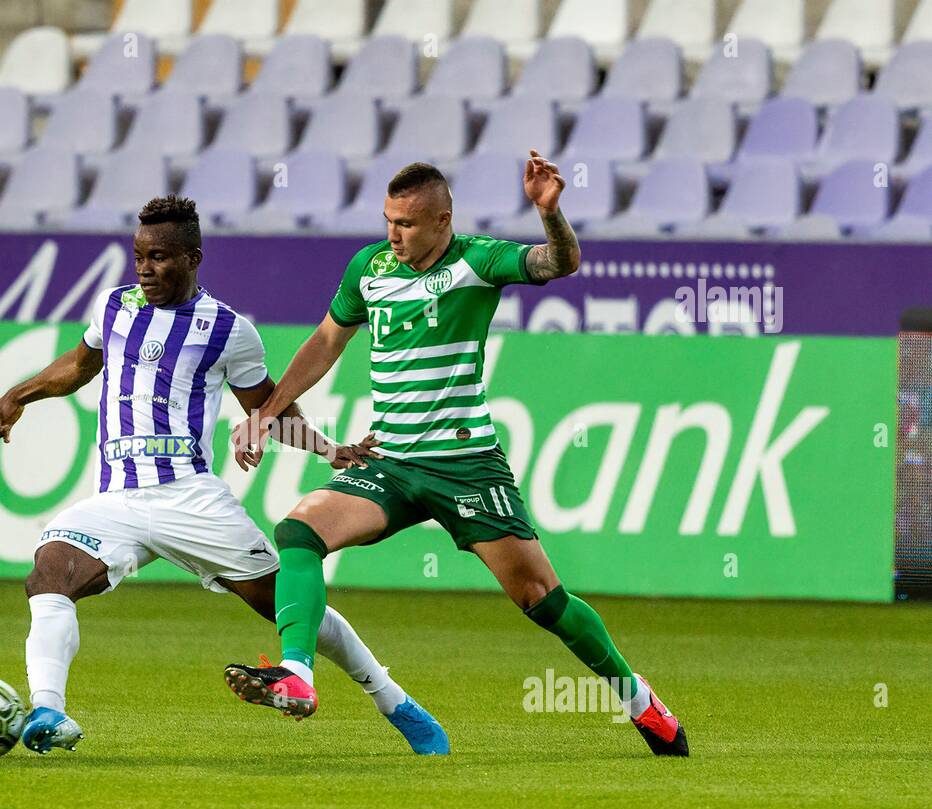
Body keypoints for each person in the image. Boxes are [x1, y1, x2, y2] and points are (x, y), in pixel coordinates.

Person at [226, 156, 688, 756]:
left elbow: (560, 263)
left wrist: (550, 214)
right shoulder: (369, 269)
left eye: (408, 224)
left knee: (541, 600)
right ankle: (298, 673)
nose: (394, 234)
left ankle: (638, 701)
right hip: (389, 462)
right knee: (298, 531)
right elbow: (324, 342)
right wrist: (267, 412)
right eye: (389, 220)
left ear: (443, 220)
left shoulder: (478, 260)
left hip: (466, 465)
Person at [0, 195, 450, 755]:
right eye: (138, 257)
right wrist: (18, 395)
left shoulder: (228, 329)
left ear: (192, 257)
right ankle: (49, 712)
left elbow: (269, 409)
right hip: (117, 500)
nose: (145, 270)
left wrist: (328, 449)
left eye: (158, 258)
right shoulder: (113, 308)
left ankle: (395, 702)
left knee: (286, 604)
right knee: (49, 575)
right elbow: (80, 366)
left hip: (190, 498)